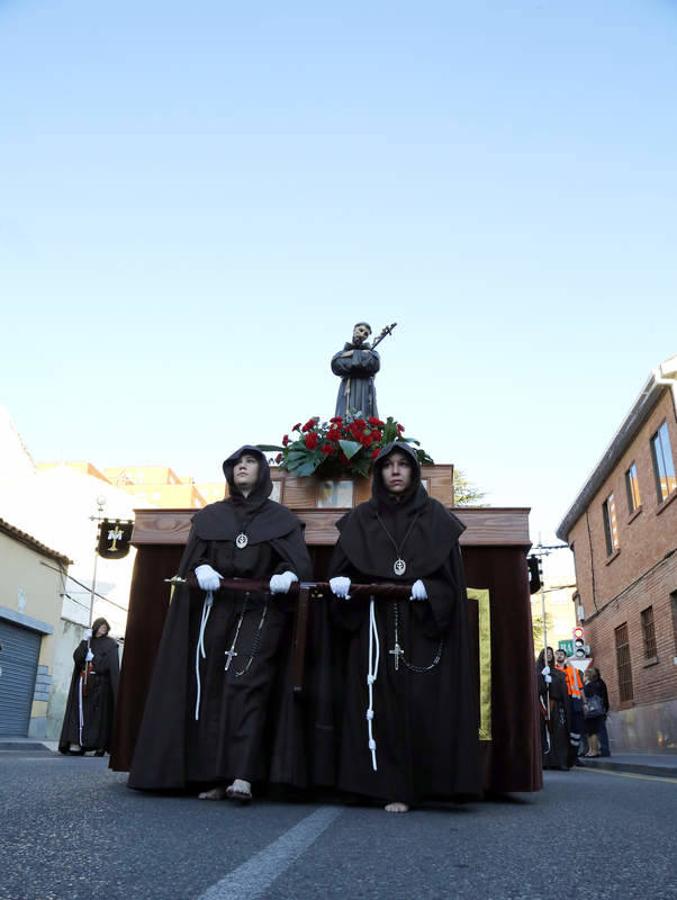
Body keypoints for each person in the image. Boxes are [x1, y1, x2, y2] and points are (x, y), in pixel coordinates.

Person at [128, 446, 312, 801]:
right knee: (212, 688)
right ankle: (214, 774)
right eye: (237, 463)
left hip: (260, 611)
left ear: (263, 472)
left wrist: (285, 573)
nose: (242, 467)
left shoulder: (282, 519)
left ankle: (243, 774)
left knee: (246, 685)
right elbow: (192, 560)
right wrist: (201, 567)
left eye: (250, 462)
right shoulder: (211, 516)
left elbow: (298, 564)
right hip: (216, 610)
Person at [328, 441, 481, 812]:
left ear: (414, 472)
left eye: (403, 465)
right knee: (374, 701)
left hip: (420, 628)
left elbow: (451, 586)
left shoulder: (437, 518)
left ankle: (419, 787)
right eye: (388, 466)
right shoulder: (361, 519)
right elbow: (340, 575)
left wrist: (427, 588)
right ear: (379, 474)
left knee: (420, 703)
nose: (395, 471)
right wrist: (342, 586)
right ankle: (377, 785)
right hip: (374, 625)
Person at [59, 617, 119, 756]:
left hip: (100, 687)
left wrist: (94, 659)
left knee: (97, 718)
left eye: (105, 626)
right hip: (84, 683)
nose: (103, 628)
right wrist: (84, 642)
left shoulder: (111, 644)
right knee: (78, 712)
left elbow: (109, 666)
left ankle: (99, 746)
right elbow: (77, 658)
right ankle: (77, 743)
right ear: (95, 627)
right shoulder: (89, 641)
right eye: (101, 626)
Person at [331, 322, 380, 418]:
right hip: (347, 388)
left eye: (366, 334)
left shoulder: (372, 353)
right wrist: (362, 360)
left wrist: (353, 354)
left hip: (365, 387)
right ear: (354, 330)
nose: (362, 335)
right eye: (360, 330)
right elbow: (337, 365)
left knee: (365, 416)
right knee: (345, 416)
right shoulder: (342, 353)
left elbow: (374, 364)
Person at [537, 646, 571, 770]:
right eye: (547, 653)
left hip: (555, 706)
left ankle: (560, 761)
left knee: (559, 733)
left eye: (551, 653)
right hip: (541, 705)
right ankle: (545, 761)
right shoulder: (537, 670)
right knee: (542, 734)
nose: (549, 655)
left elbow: (562, 690)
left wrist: (552, 682)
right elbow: (536, 689)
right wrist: (541, 677)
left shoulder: (558, 673)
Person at [554, 647, 585, 765]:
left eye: (562, 654)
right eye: (557, 654)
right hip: (561, 703)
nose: (560, 656)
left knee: (576, 731)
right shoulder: (552, 671)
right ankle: (564, 757)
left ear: (565, 657)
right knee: (563, 730)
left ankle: (574, 756)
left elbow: (580, 688)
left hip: (575, 702)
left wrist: (585, 703)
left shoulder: (573, 671)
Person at [583, 666, 610, 758]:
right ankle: (599, 750)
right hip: (600, 710)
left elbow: (589, 695)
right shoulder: (600, 683)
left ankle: (600, 750)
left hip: (595, 711)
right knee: (598, 730)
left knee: (595, 731)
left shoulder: (592, 684)